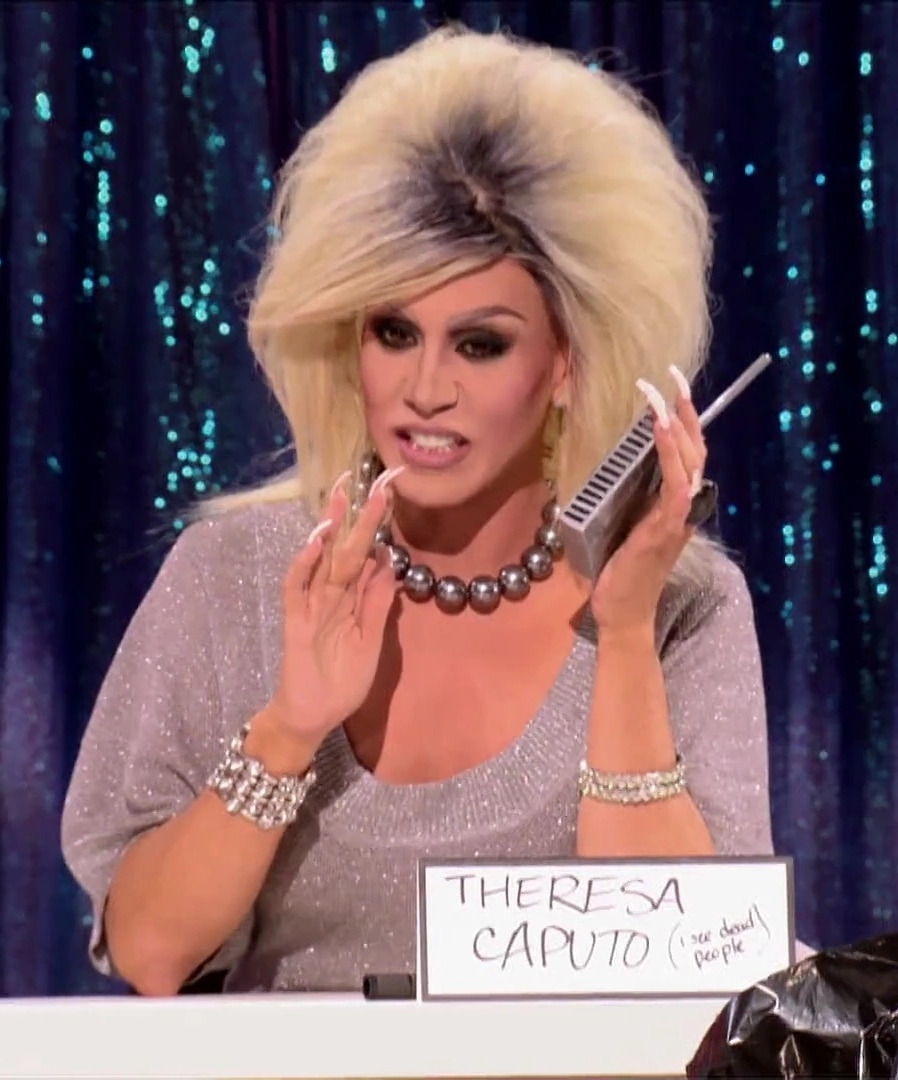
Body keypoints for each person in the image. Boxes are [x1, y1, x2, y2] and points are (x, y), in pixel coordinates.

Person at [61, 25, 774, 998]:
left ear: (567, 364)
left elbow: (693, 973)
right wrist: (290, 727)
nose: (425, 390)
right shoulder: (236, 574)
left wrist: (622, 635)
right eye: (394, 333)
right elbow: (151, 952)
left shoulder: (683, 605)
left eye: (481, 345)